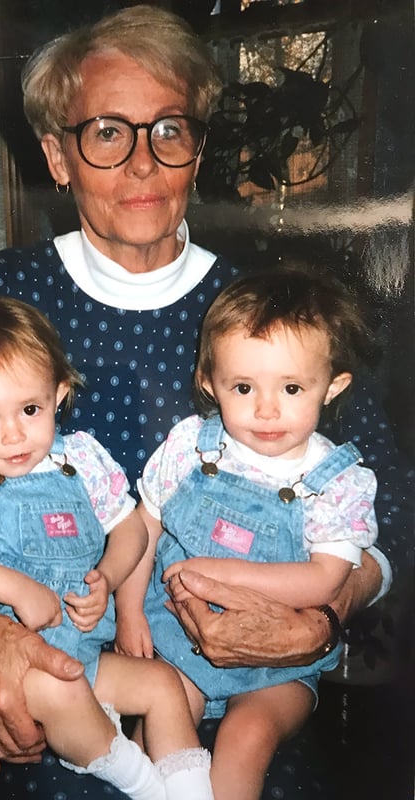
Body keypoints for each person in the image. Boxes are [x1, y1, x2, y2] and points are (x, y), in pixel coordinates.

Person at [0, 6, 410, 799]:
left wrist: (329, 608)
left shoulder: (267, 310)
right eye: (107, 132)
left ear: (196, 150)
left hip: (239, 687)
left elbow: (392, 494)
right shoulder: (1, 294)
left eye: (169, 129)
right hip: (34, 662)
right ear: (59, 156)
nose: (143, 164)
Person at [0, 295, 213, 799]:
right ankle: (145, 786)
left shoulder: (82, 460)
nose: (14, 434)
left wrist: (109, 578)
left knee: (163, 685)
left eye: (30, 408)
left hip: (79, 653)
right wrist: (16, 588)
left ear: (58, 394)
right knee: (60, 683)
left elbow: (130, 528)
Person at [115, 268, 378, 800]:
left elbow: (327, 579)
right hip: (175, 643)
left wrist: (221, 572)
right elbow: (143, 526)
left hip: (279, 669)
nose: (265, 409)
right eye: (242, 387)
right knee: (159, 725)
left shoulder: (336, 481)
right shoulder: (191, 446)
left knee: (247, 736)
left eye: (291, 388)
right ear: (211, 383)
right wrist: (129, 612)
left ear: (333, 387)